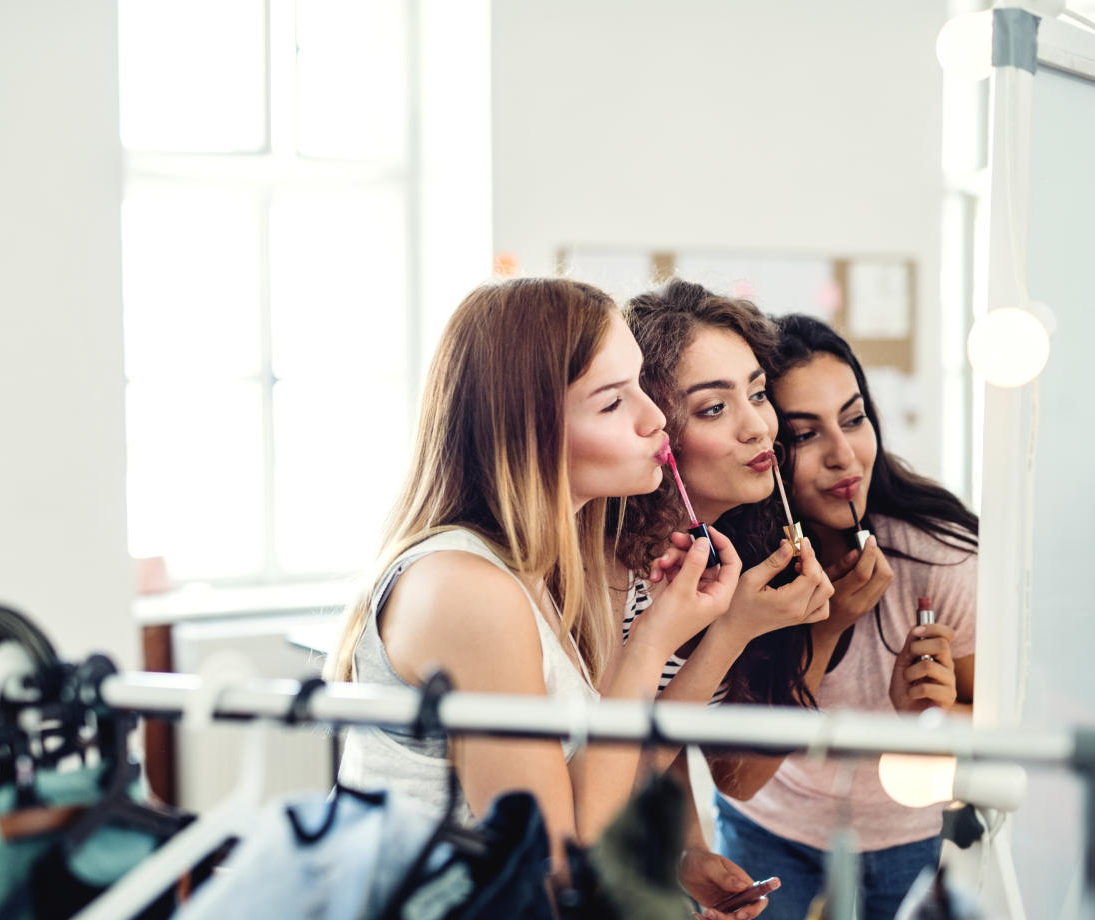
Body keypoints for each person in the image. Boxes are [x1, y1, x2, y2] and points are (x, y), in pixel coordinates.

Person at [328, 277, 743, 875]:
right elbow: (557, 868)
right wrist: (654, 641)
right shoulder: (468, 590)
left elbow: (595, 794)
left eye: (640, 386)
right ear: (529, 430)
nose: (656, 420)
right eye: (611, 402)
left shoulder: (537, 576)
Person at [711, 314, 977, 920]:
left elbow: (1000, 722)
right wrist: (826, 629)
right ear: (765, 450)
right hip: (767, 822)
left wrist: (926, 720)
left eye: (853, 419)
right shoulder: (729, 569)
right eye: (804, 435)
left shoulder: (942, 557)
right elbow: (738, 777)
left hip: (903, 829)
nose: (843, 455)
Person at [612, 280, 834, 919]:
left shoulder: (731, 540)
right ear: (655, 427)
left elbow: (667, 739)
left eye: (758, 393)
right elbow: (618, 765)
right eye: (713, 408)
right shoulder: (616, 568)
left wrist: (687, 853)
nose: (758, 426)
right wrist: (732, 631)